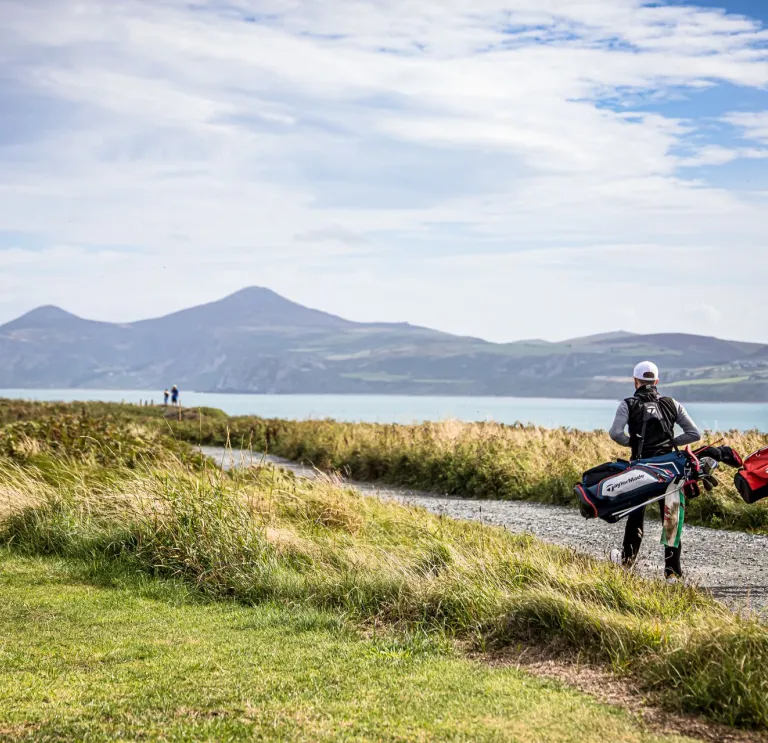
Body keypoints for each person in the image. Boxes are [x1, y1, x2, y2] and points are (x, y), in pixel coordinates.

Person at [608, 361, 701, 581]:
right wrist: (670, 443)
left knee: (636, 515)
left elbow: (615, 433)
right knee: (671, 518)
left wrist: (632, 443)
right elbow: (694, 433)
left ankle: (627, 565)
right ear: (656, 382)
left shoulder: (628, 404)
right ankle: (672, 574)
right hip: (670, 468)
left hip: (640, 468)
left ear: (635, 381)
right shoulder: (672, 403)